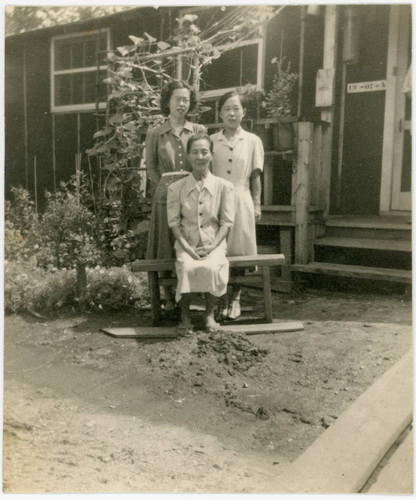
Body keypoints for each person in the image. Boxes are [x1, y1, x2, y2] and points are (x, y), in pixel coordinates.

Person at [146, 80, 206, 312]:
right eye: (177, 99)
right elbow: (151, 167)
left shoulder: (199, 131)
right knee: (165, 245)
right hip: (165, 197)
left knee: (191, 242)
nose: (182, 104)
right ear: (167, 102)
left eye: (186, 100)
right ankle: (168, 296)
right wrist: (165, 186)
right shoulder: (155, 133)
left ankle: (190, 294)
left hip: (192, 197)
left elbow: (203, 161)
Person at [167, 133, 234, 334]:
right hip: (186, 242)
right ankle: (185, 316)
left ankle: (209, 315)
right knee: (187, 267)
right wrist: (187, 246)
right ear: (188, 156)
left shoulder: (224, 187)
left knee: (213, 267)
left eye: (204, 152)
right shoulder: (176, 188)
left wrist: (213, 246)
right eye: (195, 152)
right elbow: (174, 223)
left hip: (214, 242)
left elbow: (227, 222)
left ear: (211, 155)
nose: (200, 157)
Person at [211, 90, 264, 320]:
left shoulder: (253, 140)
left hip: (242, 199)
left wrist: (257, 204)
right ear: (220, 113)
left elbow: (255, 177)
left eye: (236, 108)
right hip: (217, 199)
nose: (231, 113)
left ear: (244, 112)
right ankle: (221, 298)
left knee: (240, 250)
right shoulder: (212, 140)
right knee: (219, 249)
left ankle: (236, 298)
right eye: (226, 109)